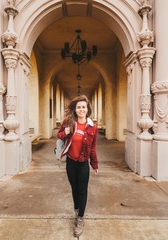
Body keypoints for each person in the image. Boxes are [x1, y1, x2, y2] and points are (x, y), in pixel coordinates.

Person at [57, 94, 98, 238]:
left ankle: (80, 218)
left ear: (87, 110)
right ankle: (76, 211)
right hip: (71, 162)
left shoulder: (92, 127)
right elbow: (59, 135)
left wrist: (94, 164)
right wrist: (66, 132)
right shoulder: (69, 122)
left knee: (83, 190)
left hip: (83, 164)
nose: (81, 109)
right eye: (79, 107)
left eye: (83, 107)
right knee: (74, 188)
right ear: (75, 110)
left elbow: (93, 147)